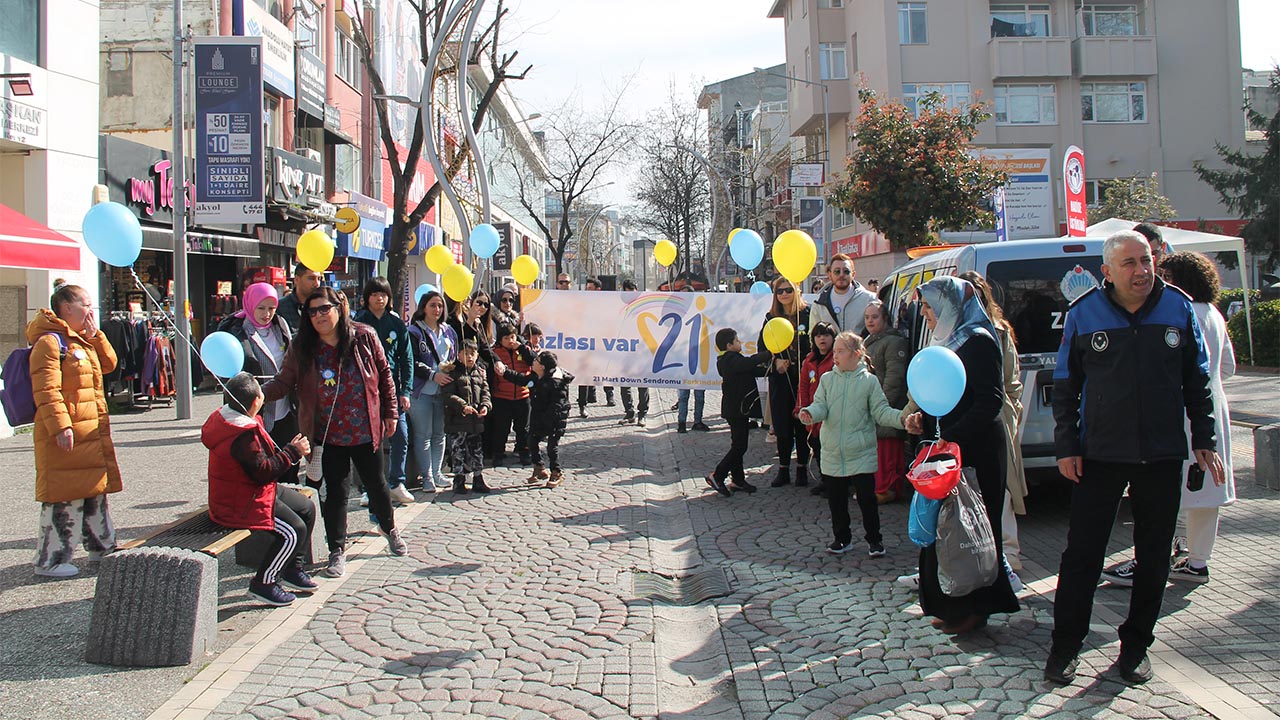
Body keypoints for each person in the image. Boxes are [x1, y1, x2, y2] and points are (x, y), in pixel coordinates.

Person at [1044, 231, 1223, 686]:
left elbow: (1197, 381)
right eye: (1129, 263)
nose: (1141, 270)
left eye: (1146, 260)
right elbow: (1066, 388)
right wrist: (1066, 445)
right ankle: (1066, 646)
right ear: (1107, 271)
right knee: (1082, 555)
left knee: (1154, 558)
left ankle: (1136, 646)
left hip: (1161, 454)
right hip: (1099, 455)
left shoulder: (1178, 307)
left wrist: (1205, 438)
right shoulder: (1084, 313)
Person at [1101, 251, 1236, 588]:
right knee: (1206, 492)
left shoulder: (1182, 311)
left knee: (1170, 490)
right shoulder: (1215, 315)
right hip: (1212, 409)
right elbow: (1229, 367)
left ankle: (1155, 558)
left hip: (1182, 411)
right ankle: (1195, 558)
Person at [903, 275, 1020, 635]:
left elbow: (989, 401)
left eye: (929, 307)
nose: (926, 315)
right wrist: (924, 420)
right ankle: (949, 603)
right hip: (949, 446)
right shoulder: (946, 340)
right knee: (947, 529)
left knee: (974, 528)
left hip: (977, 450)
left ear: (950, 305)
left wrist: (948, 436)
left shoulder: (978, 340)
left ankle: (976, 607)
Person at [263, 287, 406, 579]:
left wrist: (391, 412)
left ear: (338, 308)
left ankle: (389, 528)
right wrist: (254, 395)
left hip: (365, 430)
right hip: (328, 434)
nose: (318, 316)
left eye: (323, 309)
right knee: (336, 494)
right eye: (312, 311)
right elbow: (282, 382)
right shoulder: (302, 346)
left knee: (377, 485)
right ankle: (336, 550)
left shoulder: (364, 337)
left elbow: (385, 375)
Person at [28, 283, 122, 578]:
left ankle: (102, 546)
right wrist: (60, 426)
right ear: (67, 308)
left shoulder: (81, 339)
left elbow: (109, 364)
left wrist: (96, 336)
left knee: (95, 491)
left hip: (89, 434)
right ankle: (51, 559)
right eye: (86, 305)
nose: (91, 311)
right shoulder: (50, 343)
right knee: (63, 496)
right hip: (68, 434)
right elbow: (46, 389)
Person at [202, 373, 317, 606]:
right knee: (293, 531)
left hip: (252, 490)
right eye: (261, 394)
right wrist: (293, 452)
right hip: (241, 502)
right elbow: (263, 471)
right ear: (255, 401)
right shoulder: (241, 435)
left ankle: (292, 569)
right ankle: (264, 582)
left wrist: (288, 450)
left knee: (307, 508)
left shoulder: (234, 417)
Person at [800, 332, 906, 556]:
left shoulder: (869, 382)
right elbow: (821, 405)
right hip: (832, 450)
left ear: (856, 354)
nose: (835, 355)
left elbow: (881, 411)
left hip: (860, 450)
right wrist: (810, 413)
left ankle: (874, 540)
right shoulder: (828, 379)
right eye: (835, 351)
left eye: (840, 351)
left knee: (867, 500)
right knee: (836, 501)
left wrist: (902, 419)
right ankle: (841, 538)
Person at [958, 271, 1028, 587]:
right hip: (967, 420)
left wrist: (1010, 410)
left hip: (994, 418)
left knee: (1002, 492)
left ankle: (1008, 557)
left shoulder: (996, 332)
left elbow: (1011, 379)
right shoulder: (954, 331)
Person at [352, 277, 415, 504]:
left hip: (393, 389)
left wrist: (405, 390)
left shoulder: (396, 324)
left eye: (384, 294)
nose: (379, 299)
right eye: (375, 294)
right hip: (365, 390)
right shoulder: (358, 323)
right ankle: (369, 487)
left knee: (401, 435)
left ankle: (397, 481)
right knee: (369, 440)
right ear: (366, 297)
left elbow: (407, 358)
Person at [217, 282, 296, 448]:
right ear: (250, 304)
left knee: (288, 464)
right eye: (261, 308)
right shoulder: (236, 330)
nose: (267, 314)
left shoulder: (280, 325)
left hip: (285, 409)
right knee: (262, 466)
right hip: (253, 410)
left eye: (271, 308)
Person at [704, 327, 770, 497]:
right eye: (737, 340)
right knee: (740, 446)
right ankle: (718, 475)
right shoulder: (728, 360)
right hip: (735, 410)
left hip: (739, 409)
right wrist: (769, 353)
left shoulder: (735, 359)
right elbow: (748, 363)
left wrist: (775, 369)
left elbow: (754, 369)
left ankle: (738, 480)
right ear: (729, 345)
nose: (740, 342)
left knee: (737, 444)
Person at [760, 277, 812, 487]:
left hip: (805, 379)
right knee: (782, 426)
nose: (784, 294)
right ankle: (783, 469)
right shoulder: (771, 317)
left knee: (802, 423)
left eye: (788, 290)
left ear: (796, 290)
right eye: (780, 291)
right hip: (781, 380)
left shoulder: (808, 314)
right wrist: (775, 362)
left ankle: (801, 468)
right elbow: (761, 349)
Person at [498, 350, 575, 488]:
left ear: (543, 367)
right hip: (539, 416)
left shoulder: (557, 383)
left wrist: (547, 421)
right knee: (531, 441)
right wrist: (505, 371)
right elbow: (523, 380)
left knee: (552, 447)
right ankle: (539, 467)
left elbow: (557, 406)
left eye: (536, 361)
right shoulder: (536, 377)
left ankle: (556, 472)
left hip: (555, 419)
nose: (533, 362)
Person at [406, 290, 457, 492]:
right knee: (423, 434)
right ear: (423, 308)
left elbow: (454, 355)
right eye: (433, 305)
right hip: (422, 391)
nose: (437, 309)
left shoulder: (448, 331)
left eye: (440, 305)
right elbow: (412, 361)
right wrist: (432, 374)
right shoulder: (414, 331)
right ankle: (426, 476)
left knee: (440, 433)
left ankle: (437, 472)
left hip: (443, 391)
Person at [862, 301, 910, 504]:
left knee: (888, 453)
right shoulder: (870, 340)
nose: (870, 321)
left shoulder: (893, 342)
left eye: (875, 317)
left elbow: (894, 378)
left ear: (885, 319)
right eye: (867, 317)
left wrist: (881, 407)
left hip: (886, 406)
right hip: (873, 404)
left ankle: (887, 489)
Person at [442, 339, 492, 493]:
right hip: (458, 421)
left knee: (476, 450)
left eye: (473, 354)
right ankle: (459, 479)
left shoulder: (479, 373)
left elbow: (486, 392)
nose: (470, 357)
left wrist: (485, 405)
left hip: (475, 421)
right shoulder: (453, 372)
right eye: (466, 354)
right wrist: (463, 406)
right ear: (458, 355)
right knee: (458, 450)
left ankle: (478, 477)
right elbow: (448, 395)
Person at [794, 322, 837, 495]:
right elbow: (803, 386)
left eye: (826, 335)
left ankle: (834, 483)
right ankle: (824, 479)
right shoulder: (809, 361)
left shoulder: (837, 359)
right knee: (817, 446)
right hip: (812, 413)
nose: (822, 339)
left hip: (831, 413)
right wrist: (801, 408)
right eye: (818, 335)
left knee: (831, 450)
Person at [489, 323, 534, 465]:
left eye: (513, 337)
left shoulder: (524, 349)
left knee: (523, 428)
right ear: (500, 339)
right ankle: (498, 453)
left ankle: (524, 452)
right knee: (501, 428)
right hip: (502, 396)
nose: (510, 341)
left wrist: (520, 348)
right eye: (506, 338)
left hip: (523, 395)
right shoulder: (495, 352)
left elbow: (535, 360)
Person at [808, 254, 877, 335]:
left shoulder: (870, 299)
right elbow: (813, 336)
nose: (841, 275)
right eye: (837, 271)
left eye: (846, 271)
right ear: (830, 275)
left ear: (853, 274)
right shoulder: (819, 303)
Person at [577, 276, 614, 415]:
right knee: (584, 373)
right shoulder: (583, 304)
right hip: (585, 343)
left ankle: (609, 395)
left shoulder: (606, 304)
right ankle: (582, 404)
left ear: (598, 289)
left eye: (590, 288)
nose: (588, 291)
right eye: (586, 288)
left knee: (605, 370)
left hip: (602, 343)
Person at [673, 284, 708, 433]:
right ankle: (681, 423)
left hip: (699, 359)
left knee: (699, 395)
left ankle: (697, 421)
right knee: (683, 395)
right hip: (682, 360)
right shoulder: (676, 314)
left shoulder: (702, 311)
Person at [619, 279, 651, 426]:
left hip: (641, 351)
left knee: (642, 383)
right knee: (624, 383)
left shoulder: (644, 306)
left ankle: (642, 414)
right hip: (624, 351)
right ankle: (629, 412)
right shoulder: (619, 308)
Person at [277, 262, 325, 333]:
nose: (317, 283)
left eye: (319, 279)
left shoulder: (323, 307)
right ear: (296, 280)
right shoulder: (280, 307)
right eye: (311, 278)